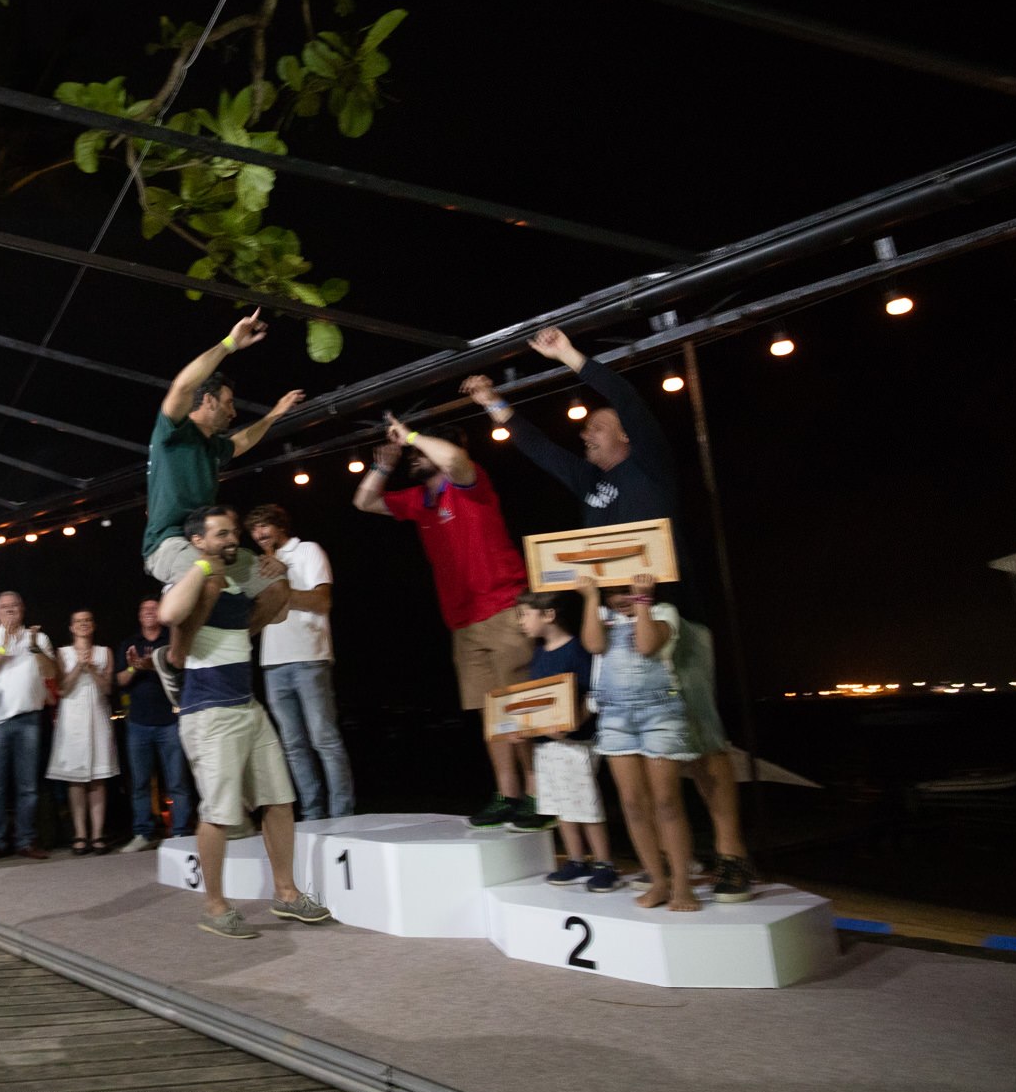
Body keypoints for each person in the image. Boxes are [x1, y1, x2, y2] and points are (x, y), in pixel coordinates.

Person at [467, 326, 755, 900]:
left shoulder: (649, 467)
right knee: (644, 762)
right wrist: (491, 402)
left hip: (675, 621)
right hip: (619, 634)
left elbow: (625, 397)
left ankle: (731, 854)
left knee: (703, 743)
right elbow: (538, 448)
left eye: (595, 427)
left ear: (625, 436)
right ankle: (671, 865)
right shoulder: (591, 484)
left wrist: (569, 355)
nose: (584, 434)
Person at [354, 422, 540, 830]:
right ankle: (507, 794)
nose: (414, 457)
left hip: (503, 607)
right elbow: (364, 501)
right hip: (462, 620)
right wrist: (382, 467)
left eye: (421, 452)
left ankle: (537, 793)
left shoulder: (469, 481)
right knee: (491, 714)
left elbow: (454, 458)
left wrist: (412, 436)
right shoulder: (419, 500)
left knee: (520, 710)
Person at [158, 507, 331, 940]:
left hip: (247, 706)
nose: (232, 538)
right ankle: (215, 906)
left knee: (279, 800)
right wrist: (204, 569)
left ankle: (286, 893)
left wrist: (277, 576)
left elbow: (278, 610)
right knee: (218, 813)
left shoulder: (235, 579)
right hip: (209, 712)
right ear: (198, 541)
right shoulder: (192, 574)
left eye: (233, 532)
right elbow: (169, 614)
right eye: (221, 533)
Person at [143, 312, 303, 677]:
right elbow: (183, 385)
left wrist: (274, 415)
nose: (233, 412)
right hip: (167, 543)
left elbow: (242, 441)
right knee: (211, 574)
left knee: (277, 588)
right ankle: (175, 660)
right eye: (228, 403)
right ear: (208, 401)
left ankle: (235, 644)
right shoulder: (173, 433)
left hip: (210, 542)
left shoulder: (213, 447)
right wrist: (230, 344)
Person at [579, 574, 700, 912]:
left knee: (667, 801)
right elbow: (594, 646)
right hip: (615, 719)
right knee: (632, 803)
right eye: (613, 592)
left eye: (627, 590)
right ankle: (657, 881)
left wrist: (643, 601)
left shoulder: (663, 612)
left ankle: (682, 885)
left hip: (660, 715)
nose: (621, 598)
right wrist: (590, 597)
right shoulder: (602, 616)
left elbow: (647, 645)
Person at [247, 504, 354, 820]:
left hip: (309, 657)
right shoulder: (258, 566)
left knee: (324, 739)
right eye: (254, 529)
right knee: (292, 745)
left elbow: (322, 602)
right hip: (272, 664)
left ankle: (342, 814)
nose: (259, 533)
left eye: (264, 525)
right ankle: (312, 813)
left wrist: (281, 582)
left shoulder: (307, 550)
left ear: (281, 526)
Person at [513, 592, 618, 892]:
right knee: (562, 802)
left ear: (549, 615)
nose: (521, 622)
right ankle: (576, 859)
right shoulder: (539, 653)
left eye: (525, 615)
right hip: (547, 744)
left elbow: (592, 693)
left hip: (575, 744)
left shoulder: (576, 650)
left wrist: (573, 723)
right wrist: (525, 727)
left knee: (583, 802)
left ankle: (604, 863)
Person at [0, 592, 55, 862]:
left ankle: (26, 840)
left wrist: (34, 647)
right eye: (4, 607)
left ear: (23, 609)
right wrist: (4, 646)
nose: (9, 610)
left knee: (28, 786)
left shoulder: (38, 638)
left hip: (29, 719)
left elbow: (51, 673)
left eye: (14, 606)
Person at [115, 597, 192, 852]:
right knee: (140, 783)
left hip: (171, 721)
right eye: (144, 609)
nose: (149, 611)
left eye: (154, 608)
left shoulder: (172, 640)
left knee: (177, 782)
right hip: (138, 724)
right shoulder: (130, 643)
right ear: (139, 616)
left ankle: (180, 832)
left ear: (161, 613)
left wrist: (154, 665)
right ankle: (143, 833)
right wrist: (134, 667)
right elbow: (120, 681)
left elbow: (182, 671)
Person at [46, 610, 119, 855]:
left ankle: (97, 834)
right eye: (78, 621)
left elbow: (107, 689)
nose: (83, 624)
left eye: (87, 620)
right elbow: (62, 689)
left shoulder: (105, 652)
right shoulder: (62, 653)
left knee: (98, 777)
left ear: (94, 625)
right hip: (72, 719)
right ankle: (79, 834)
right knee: (75, 778)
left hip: (97, 716)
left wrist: (93, 670)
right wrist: (79, 666)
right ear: (71, 627)